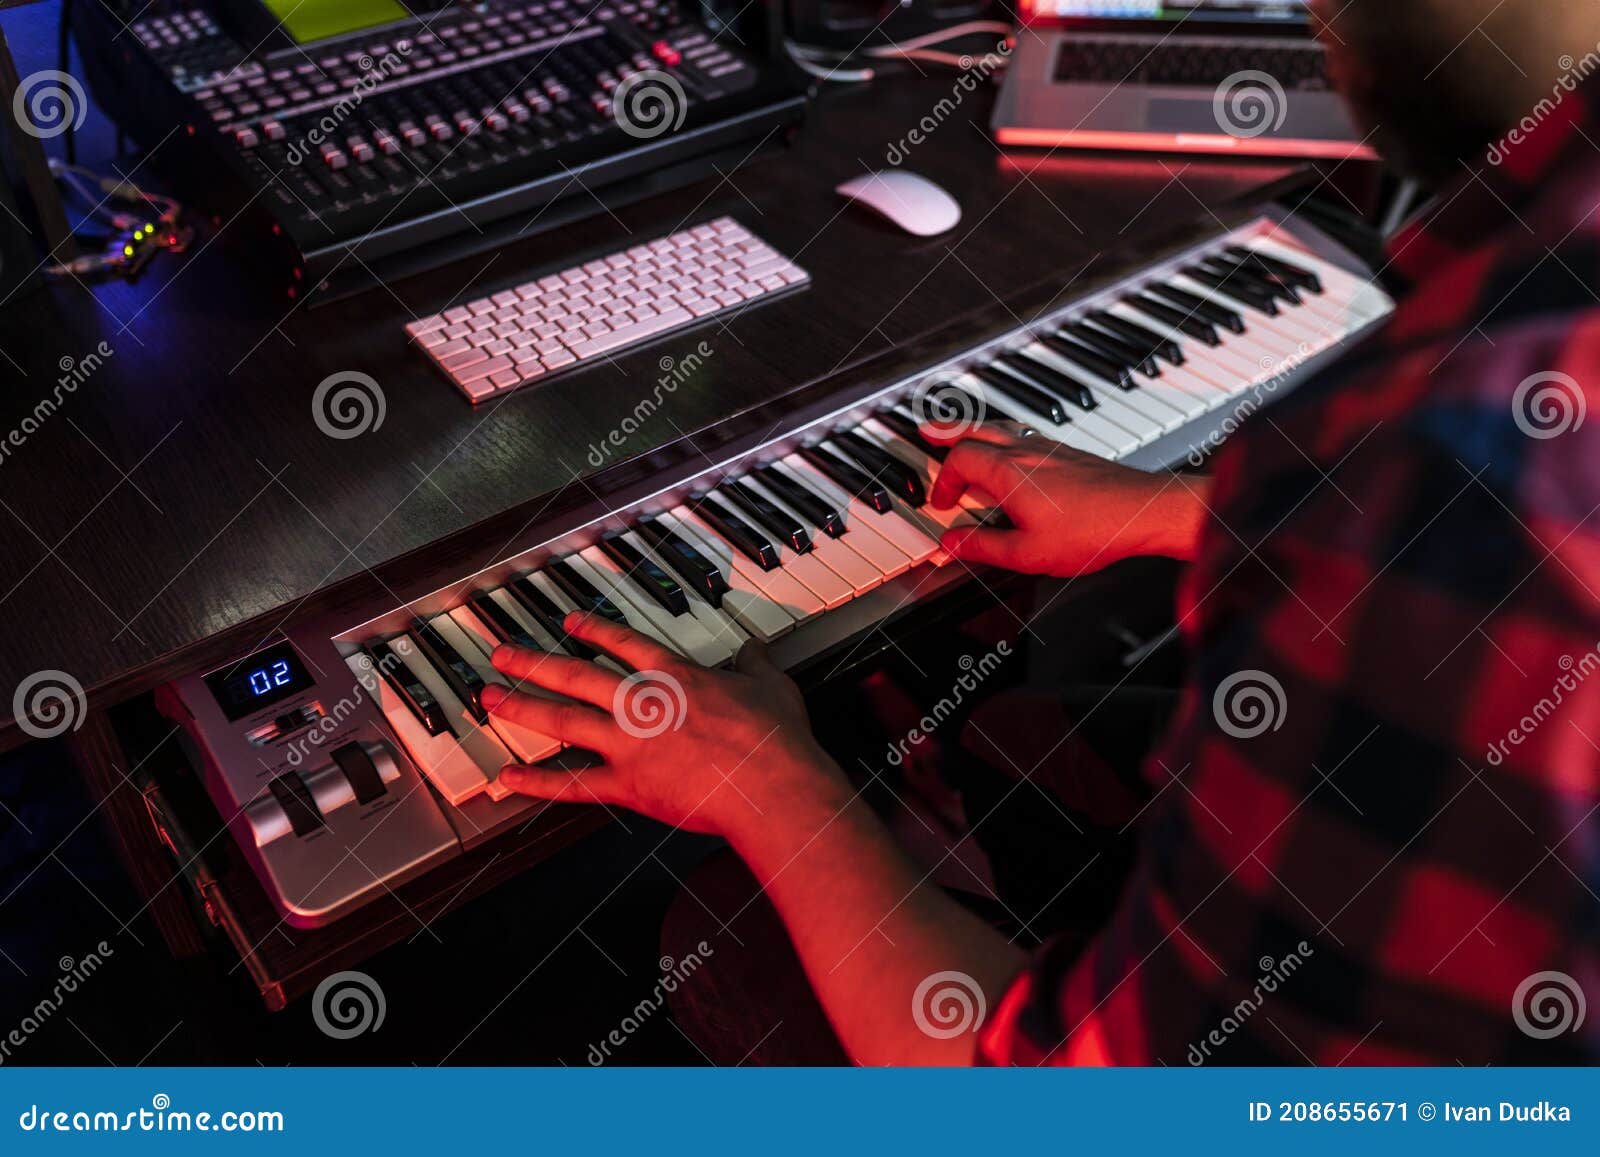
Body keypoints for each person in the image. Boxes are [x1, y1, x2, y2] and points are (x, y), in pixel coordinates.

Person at [479, 0, 1600, 1064]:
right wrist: (1175, 509)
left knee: (713, 931)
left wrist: (776, 787)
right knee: (1013, 725)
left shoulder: (1463, 449)